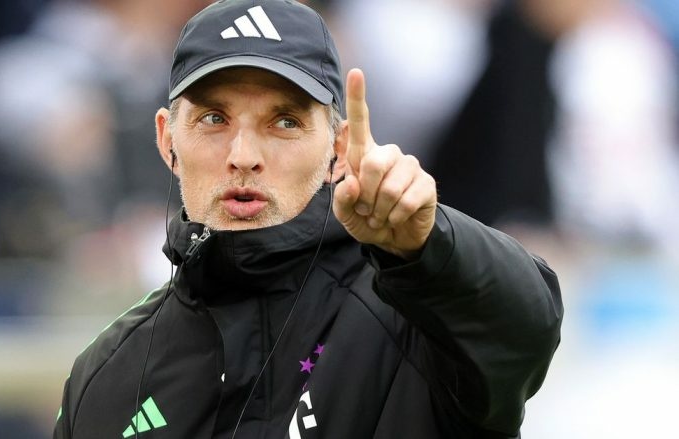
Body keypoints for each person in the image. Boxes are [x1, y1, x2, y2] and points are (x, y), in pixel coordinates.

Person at [53, 1, 563, 438]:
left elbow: (527, 324)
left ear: (339, 149)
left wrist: (432, 242)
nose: (243, 155)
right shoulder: (106, 377)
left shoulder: (419, 316)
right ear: (168, 140)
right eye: (214, 119)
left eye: (285, 121)